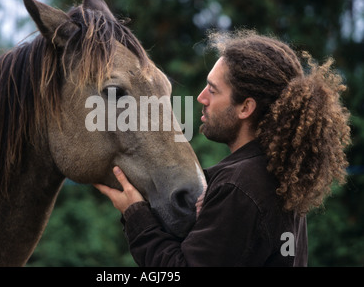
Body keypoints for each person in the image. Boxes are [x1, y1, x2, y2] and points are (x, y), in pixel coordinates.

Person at [94, 30, 351, 266]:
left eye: (213, 91)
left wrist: (135, 214)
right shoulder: (274, 176)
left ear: (245, 108)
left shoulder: (239, 187)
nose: (201, 97)